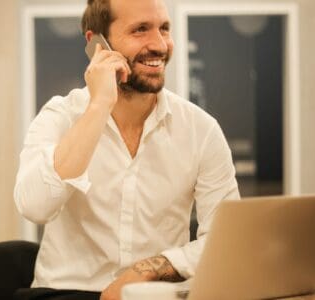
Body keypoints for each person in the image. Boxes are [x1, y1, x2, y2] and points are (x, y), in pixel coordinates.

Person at [14, 0, 240, 299]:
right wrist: (98, 106)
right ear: (97, 44)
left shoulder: (201, 130)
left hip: (154, 293)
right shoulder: (60, 115)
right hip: (66, 292)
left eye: (164, 28)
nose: (159, 45)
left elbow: (224, 240)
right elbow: (35, 207)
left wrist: (148, 269)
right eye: (140, 30)